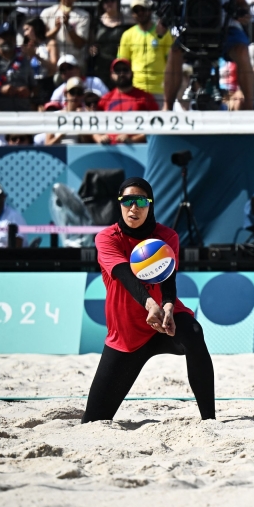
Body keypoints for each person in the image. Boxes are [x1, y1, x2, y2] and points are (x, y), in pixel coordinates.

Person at [82, 178, 215, 423]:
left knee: (194, 332)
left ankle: (210, 421)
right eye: (128, 201)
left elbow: (168, 279)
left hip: (164, 323)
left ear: (150, 204)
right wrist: (149, 304)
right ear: (120, 203)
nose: (134, 208)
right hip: (126, 335)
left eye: (141, 201)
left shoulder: (166, 236)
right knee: (93, 421)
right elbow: (124, 275)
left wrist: (167, 305)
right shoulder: (107, 238)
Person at [163, 0, 254, 110]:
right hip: (190, 28)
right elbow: (168, 2)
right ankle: (167, 106)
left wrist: (243, 13)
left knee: (242, 50)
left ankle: (249, 107)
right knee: (175, 51)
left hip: (225, 27)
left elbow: (241, 2)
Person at [116, 0, 172, 105]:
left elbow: (170, 63)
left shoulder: (163, 33)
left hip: (159, 90)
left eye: (143, 9)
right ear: (132, 14)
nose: (140, 13)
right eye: (136, 10)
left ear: (150, 11)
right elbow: (123, 64)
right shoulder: (127, 35)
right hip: (136, 90)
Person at [98, 58, 158, 143]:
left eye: (125, 70)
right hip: (109, 149)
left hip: (136, 150)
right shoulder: (105, 99)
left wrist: (133, 139)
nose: (122, 73)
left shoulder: (146, 97)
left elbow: (156, 126)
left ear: (132, 73)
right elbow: (93, 127)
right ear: (111, 75)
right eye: (117, 71)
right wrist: (100, 139)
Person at [41, 0, 91, 68]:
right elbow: (41, 39)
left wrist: (68, 26)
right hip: (52, 63)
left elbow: (80, 44)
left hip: (75, 63)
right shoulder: (47, 13)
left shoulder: (84, 15)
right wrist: (56, 29)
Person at [91, 0, 131, 90]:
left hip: (120, 67)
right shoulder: (96, 23)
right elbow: (91, 43)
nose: (109, 3)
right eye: (105, 0)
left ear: (117, 1)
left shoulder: (127, 22)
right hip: (101, 67)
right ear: (101, 4)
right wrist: (91, 49)